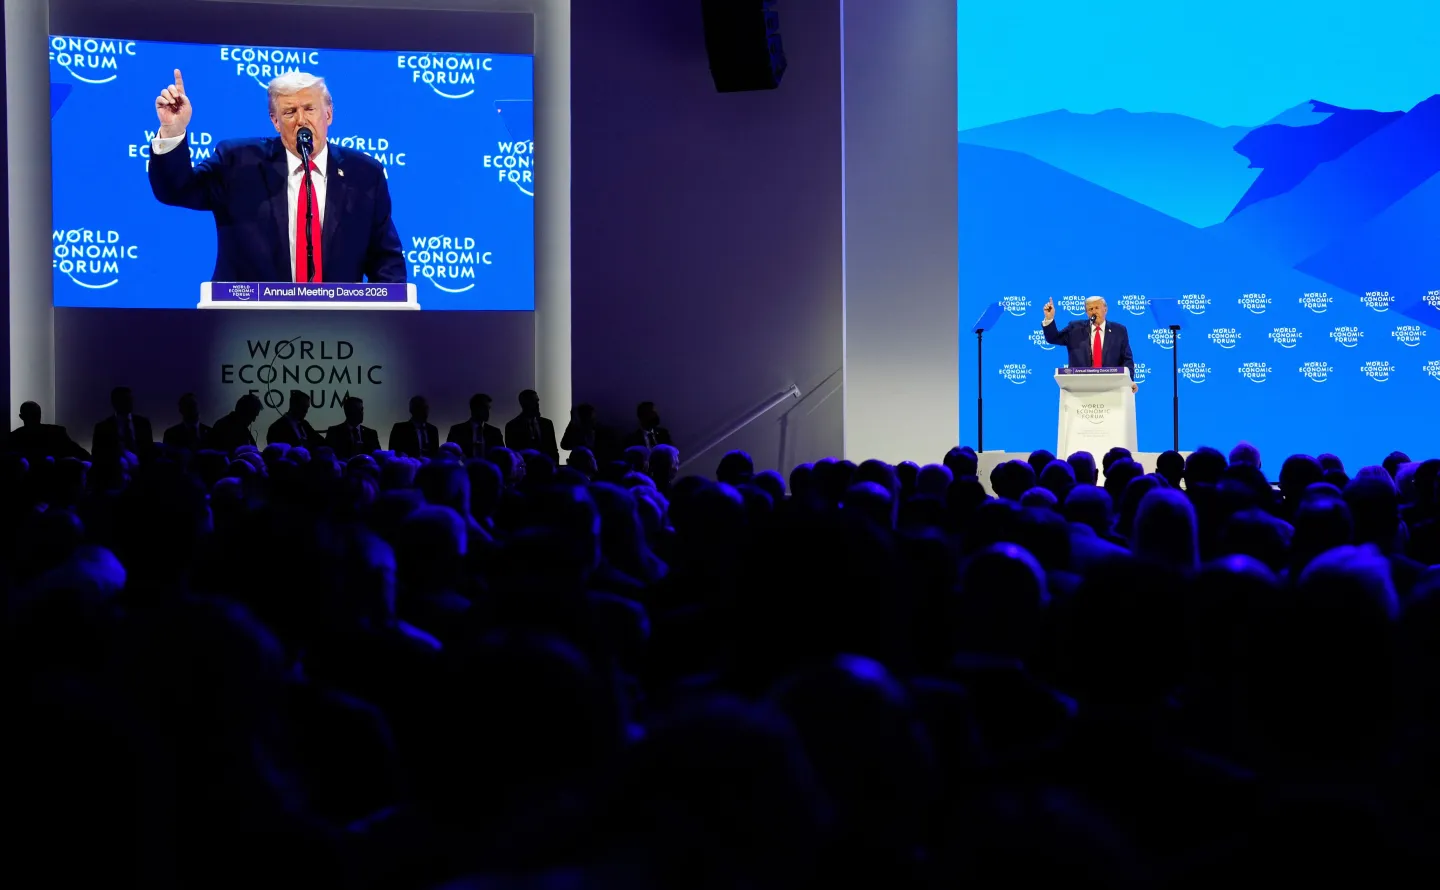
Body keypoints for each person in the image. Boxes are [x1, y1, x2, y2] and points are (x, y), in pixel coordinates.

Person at [147, 69, 404, 284]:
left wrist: (383, 318)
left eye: (310, 109)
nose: (301, 120)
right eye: (290, 112)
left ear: (328, 114)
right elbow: (176, 190)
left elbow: (386, 262)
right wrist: (172, 130)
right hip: (246, 320)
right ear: (275, 122)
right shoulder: (238, 163)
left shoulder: (364, 174)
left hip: (337, 324)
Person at [1040, 296, 1137, 393]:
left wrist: (1129, 381)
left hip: (1111, 388)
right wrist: (1049, 318)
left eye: (1097, 308)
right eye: (1090, 309)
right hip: (1080, 389)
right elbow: (1053, 338)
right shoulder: (1075, 329)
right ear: (1087, 313)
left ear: (1105, 309)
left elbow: (1126, 360)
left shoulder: (1119, 331)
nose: (1094, 311)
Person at [6, 401, 89, 462]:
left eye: (36, 414)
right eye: (32, 414)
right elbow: (76, 450)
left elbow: (75, 449)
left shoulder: (15, 436)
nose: (35, 417)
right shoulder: (55, 431)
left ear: (21, 416)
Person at [92, 386, 154, 461]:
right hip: (114, 466)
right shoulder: (102, 428)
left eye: (130, 399)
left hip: (142, 465)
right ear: (115, 403)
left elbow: (149, 451)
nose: (130, 403)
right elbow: (98, 455)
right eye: (125, 400)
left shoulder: (143, 423)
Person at [504, 390, 559, 463]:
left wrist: (554, 466)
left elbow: (553, 450)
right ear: (523, 404)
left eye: (537, 401)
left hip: (546, 466)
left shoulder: (547, 423)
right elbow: (513, 452)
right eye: (533, 401)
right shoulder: (512, 426)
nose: (537, 404)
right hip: (525, 466)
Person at [446, 394, 505, 459]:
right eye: (484, 408)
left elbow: (502, 456)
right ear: (474, 408)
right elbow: (449, 455)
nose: (488, 412)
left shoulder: (495, 433)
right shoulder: (457, 431)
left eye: (488, 408)